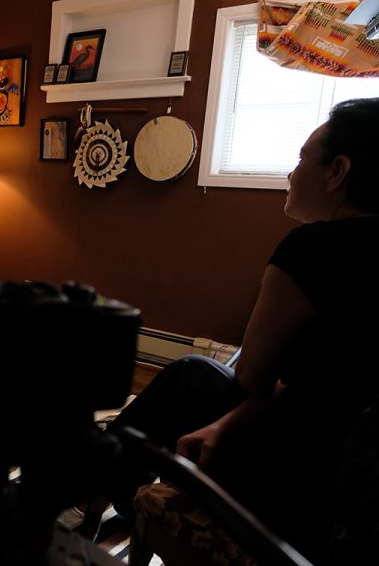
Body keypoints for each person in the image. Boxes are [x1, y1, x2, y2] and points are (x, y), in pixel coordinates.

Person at [103, 98, 379, 565]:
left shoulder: (314, 249)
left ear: (338, 171)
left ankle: (91, 481)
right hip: (354, 485)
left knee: (192, 374)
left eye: (300, 159)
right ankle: (113, 490)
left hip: (300, 480)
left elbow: (252, 378)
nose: (291, 175)